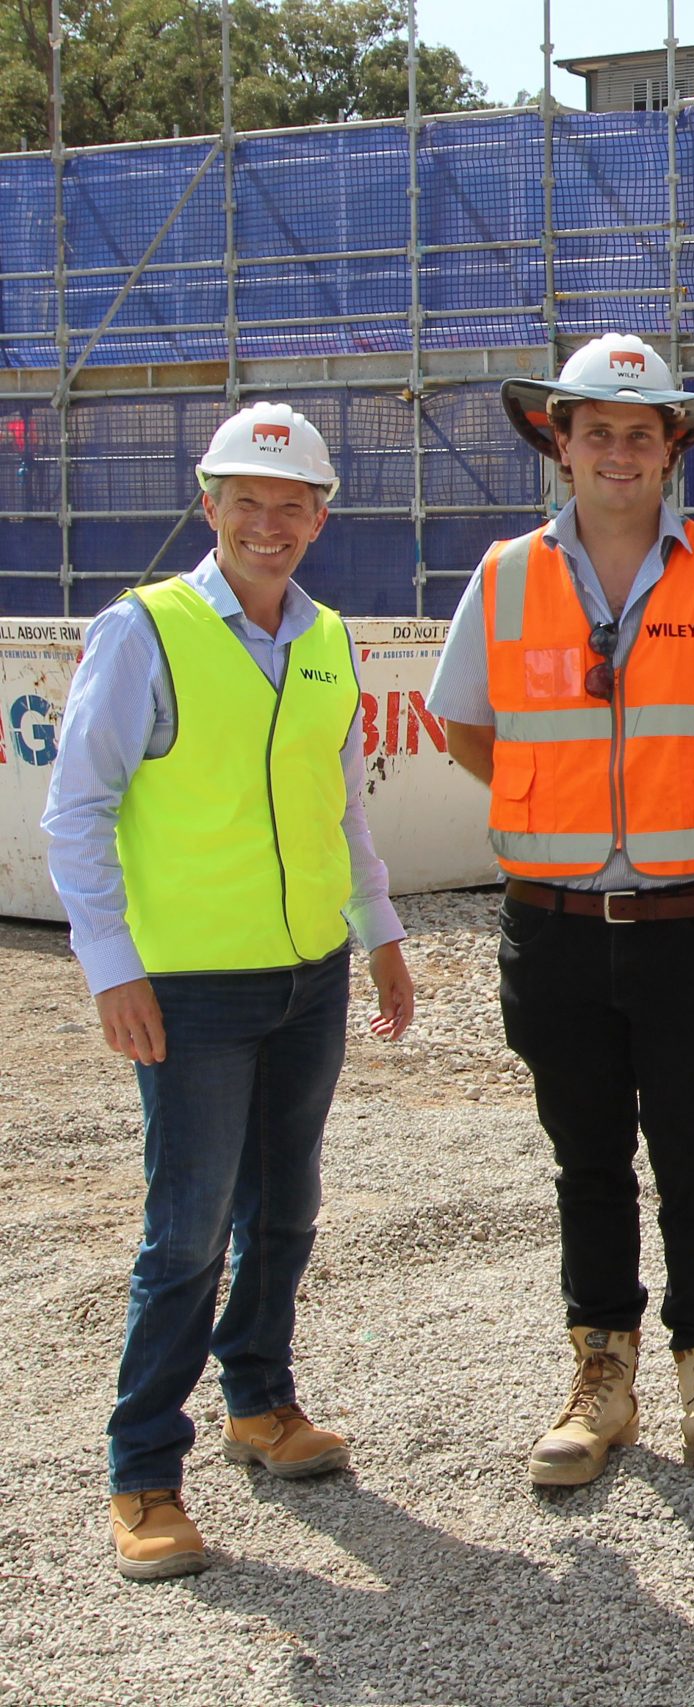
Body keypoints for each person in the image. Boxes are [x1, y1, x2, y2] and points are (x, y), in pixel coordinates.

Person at [427, 333, 694, 1490]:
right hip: (551, 925)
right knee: (585, 1162)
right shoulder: (503, 578)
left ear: (672, 448)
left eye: (639, 432)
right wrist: (563, 817)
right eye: (594, 428)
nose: (617, 450)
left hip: (690, 921)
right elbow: (467, 730)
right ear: (559, 442)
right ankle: (602, 1377)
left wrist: (689, 806)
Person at [42, 403, 416, 1580]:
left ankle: (262, 1406)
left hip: (307, 975)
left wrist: (381, 934)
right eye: (245, 501)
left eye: (291, 504)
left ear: (319, 516)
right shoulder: (144, 632)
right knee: (187, 1233)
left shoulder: (327, 638)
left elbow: (340, 806)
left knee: (286, 1211)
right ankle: (144, 1471)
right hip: (191, 989)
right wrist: (111, 967)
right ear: (209, 507)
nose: (269, 523)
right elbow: (77, 813)